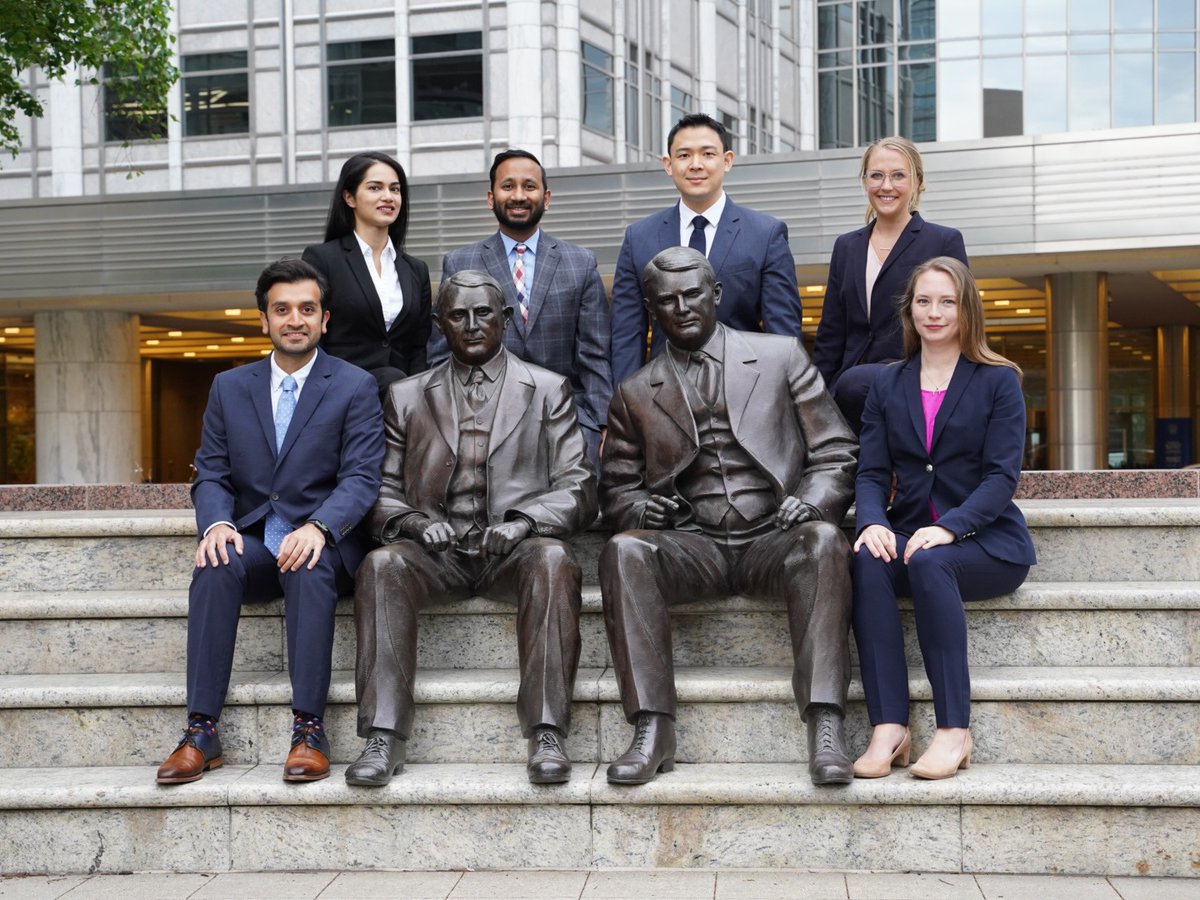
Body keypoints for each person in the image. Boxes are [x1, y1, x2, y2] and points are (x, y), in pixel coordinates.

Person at [600, 246, 858, 786]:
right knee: (624, 550)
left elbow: (835, 451)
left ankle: (827, 725)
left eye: (693, 294)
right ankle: (652, 726)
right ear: (653, 310)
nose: (683, 307)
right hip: (695, 545)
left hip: (775, 534)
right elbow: (615, 489)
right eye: (667, 301)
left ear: (716, 294)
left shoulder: (780, 355)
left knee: (824, 540)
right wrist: (643, 506)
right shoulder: (634, 392)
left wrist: (810, 499)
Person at [346, 270, 598, 787]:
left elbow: (580, 484)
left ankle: (547, 730)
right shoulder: (406, 396)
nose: (473, 324)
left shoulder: (548, 389)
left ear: (505, 320)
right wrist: (414, 522)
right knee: (380, 565)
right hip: (437, 551)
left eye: (484, 313)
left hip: (513, 549)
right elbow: (377, 487)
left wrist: (526, 523)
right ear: (440, 325)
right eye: (458, 315)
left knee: (553, 560)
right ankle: (383, 736)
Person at [156, 258, 384, 785]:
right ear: (264, 320)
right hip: (257, 539)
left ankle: (309, 731)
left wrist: (321, 527)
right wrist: (216, 524)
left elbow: (361, 478)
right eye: (282, 310)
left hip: (325, 546)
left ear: (325, 319)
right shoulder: (229, 387)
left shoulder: (355, 385)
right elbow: (210, 473)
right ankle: (201, 732)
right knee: (216, 564)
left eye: (307, 309)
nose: (295, 319)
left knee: (308, 564)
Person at [851, 256, 1035, 781]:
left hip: (986, 543)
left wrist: (950, 526)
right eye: (924, 301)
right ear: (910, 309)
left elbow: (1001, 479)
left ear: (966, 308)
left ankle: (954, 730)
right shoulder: (888, 385)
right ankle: (889, 727)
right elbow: (870, 472)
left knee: (933, 562)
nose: (935, 312)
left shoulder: (998, 381)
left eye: (947, 301)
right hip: (908, 531)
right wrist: (871, 522)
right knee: (866, 559)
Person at [431, 149, 612, 469]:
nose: (518, 195)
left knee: (582, 490)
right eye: (507, 186)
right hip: (479, 412)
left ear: (546, 197)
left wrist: (603, 425)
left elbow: (594, 355)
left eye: (529, 186)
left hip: (564, 410)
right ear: (491, 197)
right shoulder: (459, 263)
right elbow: (441, 354)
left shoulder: (580, 262)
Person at [609, 113, 802, 386]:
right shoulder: (638, 238)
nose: (696, 165)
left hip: (746, 389)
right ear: (668, 164)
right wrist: (625, 408)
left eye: (708, 154)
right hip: (665, 394)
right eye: (684, 155)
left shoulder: (765, 234)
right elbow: (627, 333)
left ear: (727, 160)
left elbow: (782, 334)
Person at [813, 136, 968, 432]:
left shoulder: (943, 241)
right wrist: (818, 396)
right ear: (864, 180)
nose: (886, 186)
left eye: (898, 175)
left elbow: (960, 321)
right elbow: (831, 332)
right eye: (877, 176)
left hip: (917, 385)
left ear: (918, 181)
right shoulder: (846, 246)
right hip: (848, 398)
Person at [302, 151, 432, 393]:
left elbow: (419, 346)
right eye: (375, 188)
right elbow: (314, 337)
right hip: (342, 395)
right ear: (349, 197)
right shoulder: (322, 259)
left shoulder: (416, 270)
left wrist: (416, 395)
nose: (388, 197)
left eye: (395, 189)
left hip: (402, 402)